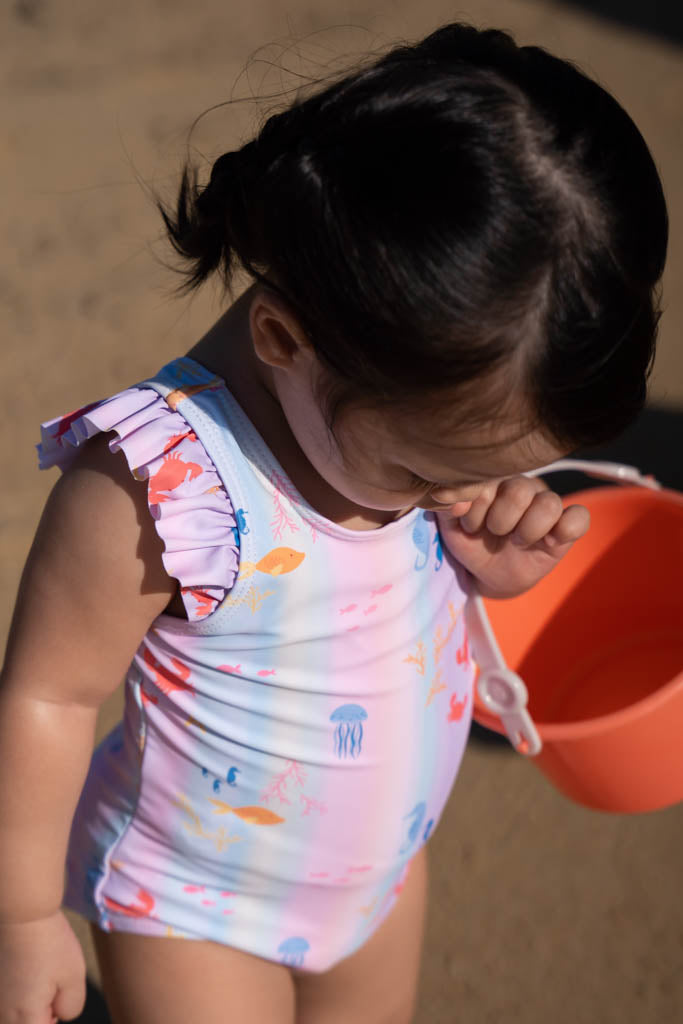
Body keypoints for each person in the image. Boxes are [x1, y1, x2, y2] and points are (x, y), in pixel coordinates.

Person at [0, 20, 667, 1024]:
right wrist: (19, 915)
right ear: (282, 338)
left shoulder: (397, 410)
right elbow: (47, 695)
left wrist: (480, 572)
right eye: (423, 472)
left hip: (380, 877)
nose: (453, 496)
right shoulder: (161, 488)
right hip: (195, 910)